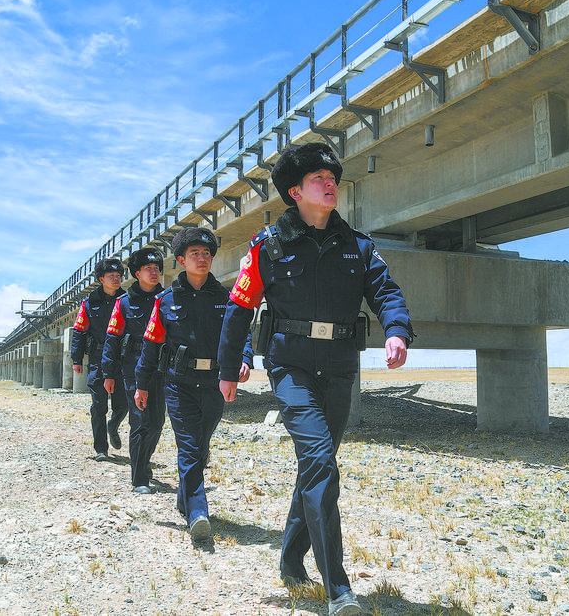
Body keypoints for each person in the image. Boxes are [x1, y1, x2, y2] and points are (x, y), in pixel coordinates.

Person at [217, 142, 415, 616]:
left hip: (341, 367)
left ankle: (290, 560)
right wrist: (227, 370)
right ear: (295, 191)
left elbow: (386, 292)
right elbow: (239, 309)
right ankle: (338, 589)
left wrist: (397, 330)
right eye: (318, 179)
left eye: (333, 178)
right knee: (321, 463)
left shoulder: (359, 245)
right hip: (291, 368)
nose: (330, 184)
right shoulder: (268, 246)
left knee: (316, 467)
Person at [135, 227, 253, 542]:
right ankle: (198, 513)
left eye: (207, 253)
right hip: (179, 383)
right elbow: (150, 345)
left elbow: (242, 333)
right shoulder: (165, 301)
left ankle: (184, 499)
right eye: (195, 254)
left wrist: (244, 358)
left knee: (200, 447)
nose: (202, 259)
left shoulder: (227, 298)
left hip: (214, 382)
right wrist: (142, 384)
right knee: (189, 446)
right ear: (181, 260)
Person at [101, 247, 166, 494]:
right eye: (148, 268)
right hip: (133, 367)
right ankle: (139, 478)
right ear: (137, 273)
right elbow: (112, 338)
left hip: (161, 366)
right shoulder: (124, 303)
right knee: (139, 421)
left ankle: (143, 460)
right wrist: (108, 373)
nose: (154, 272)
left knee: (157, 422)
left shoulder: (168, 299)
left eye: (157, 268)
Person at [71, 258, 127, 461]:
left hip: (122, 358)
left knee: (123, 404)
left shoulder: (127, 300)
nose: (116, 279)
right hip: (97, 359)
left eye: (119, 276)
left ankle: (113, 425)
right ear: (101, 279)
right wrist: (76, 359)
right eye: (111, 276)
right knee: (98, 405)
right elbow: (79, 331)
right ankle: (101, 449)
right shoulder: (89, 304)